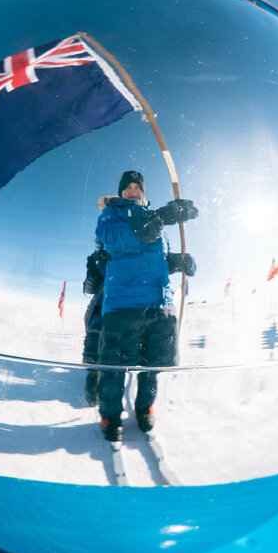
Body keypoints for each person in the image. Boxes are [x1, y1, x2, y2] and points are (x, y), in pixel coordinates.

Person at [95, 170, 198, 442]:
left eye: (137, 187)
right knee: (114, 368)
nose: (133, 190)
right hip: (123, 305)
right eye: (127, 187)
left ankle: (145, 407)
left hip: (160, 304)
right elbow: (117, 240)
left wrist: (176, 262)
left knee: (152, 366)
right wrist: (162, 217)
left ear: (143, 191)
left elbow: (155, 255)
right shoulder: (112, 214)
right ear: (120, 192)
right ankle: (111, 414)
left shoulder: (153, 219)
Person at [81, 243, 108, 406]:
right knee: (94, 334)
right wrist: (91, 272)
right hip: (100, 307)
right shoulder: (101, 259)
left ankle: (109, 386)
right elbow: (89, 288)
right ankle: (92, 388)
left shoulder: (128, 253)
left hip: (120, 307)